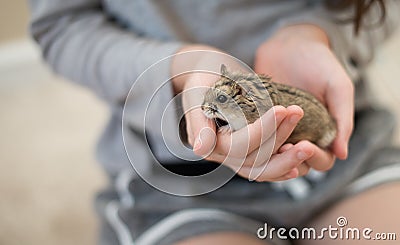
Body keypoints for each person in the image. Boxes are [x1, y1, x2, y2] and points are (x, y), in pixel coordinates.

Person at [29, 0, 400, 244]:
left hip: (346, 149)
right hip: (173, 181)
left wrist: (316, 33)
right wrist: (177, 70)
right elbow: (63, 27)